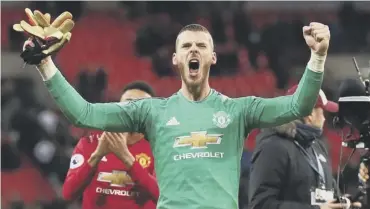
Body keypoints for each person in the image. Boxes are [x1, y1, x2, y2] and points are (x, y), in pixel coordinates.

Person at [28, 15, 330, 208]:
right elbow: (85, 114)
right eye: (186, 46)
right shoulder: (152, 112)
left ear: (213, 57)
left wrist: (317, 57)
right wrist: (45, 64)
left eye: (201, 45)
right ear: (175, 58)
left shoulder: (239, 110)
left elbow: (298, 105)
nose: (193, 50)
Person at [248, 86, 362, 209]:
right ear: (310, 114)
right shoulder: (272, 147)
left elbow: (328, 195)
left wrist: (345, 204)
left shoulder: (317, 147)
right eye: (322, 112)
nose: (324, 119)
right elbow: (260, 205)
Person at [62, 81, 158, 209]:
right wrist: (97, 156)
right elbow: (68, 193)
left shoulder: (159, 148)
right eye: (128, 102)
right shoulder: (90, 143)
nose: (133, 109)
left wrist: (126, 157)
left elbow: (162, 196)